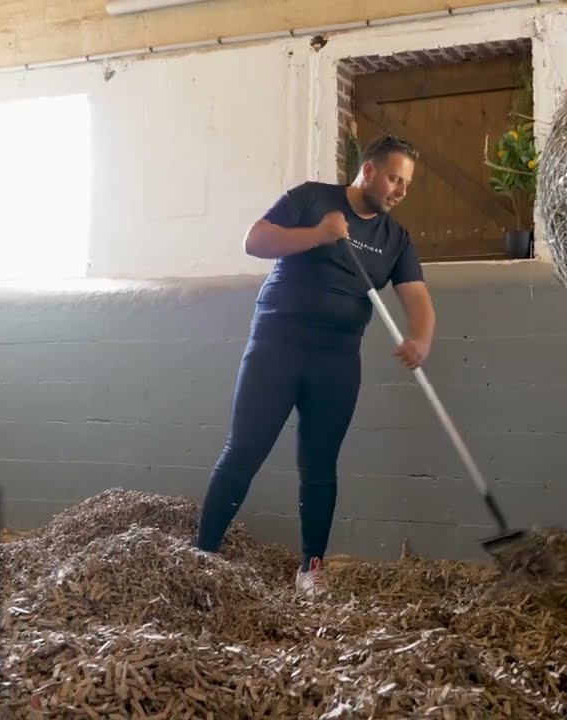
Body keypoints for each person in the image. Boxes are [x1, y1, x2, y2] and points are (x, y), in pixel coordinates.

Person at [193, 135, 436, 600]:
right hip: (277, 344)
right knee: (243, 451)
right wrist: (319, 235)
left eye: (406, 184)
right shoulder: (310, 198)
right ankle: (202, 555)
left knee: (321, 466)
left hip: (337, 358)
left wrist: (420, 338)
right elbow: (256, 241)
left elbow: (417, 297)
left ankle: (311, 568)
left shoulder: (395, 239)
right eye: (393, 178)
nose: (400, 191)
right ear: (367, 171)